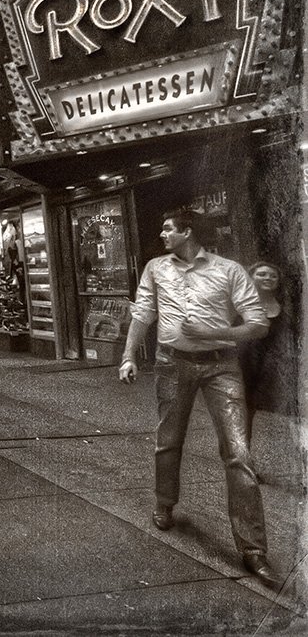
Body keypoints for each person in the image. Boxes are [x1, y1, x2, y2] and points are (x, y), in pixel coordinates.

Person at [118, 211, 280, 590]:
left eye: (168, 228)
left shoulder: (229, 270)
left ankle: (254, 549)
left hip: (222, 366)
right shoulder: (156, 268)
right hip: (172, 363)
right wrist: (128, 356)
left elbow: (258, 323)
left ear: (187, 231)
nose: (162, 233)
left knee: (238, 453)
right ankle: (164, 502)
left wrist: (215, 332)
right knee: (169, 438)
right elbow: (143, 313)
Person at [239, 261, 298, 445]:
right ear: (251, 277)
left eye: (273, 276)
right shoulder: (239, 304)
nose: (268, 278)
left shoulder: (285, 308)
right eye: (262, 274)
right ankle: (241, 457)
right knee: (242, 415)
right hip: (243, 366)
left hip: (272, 370)